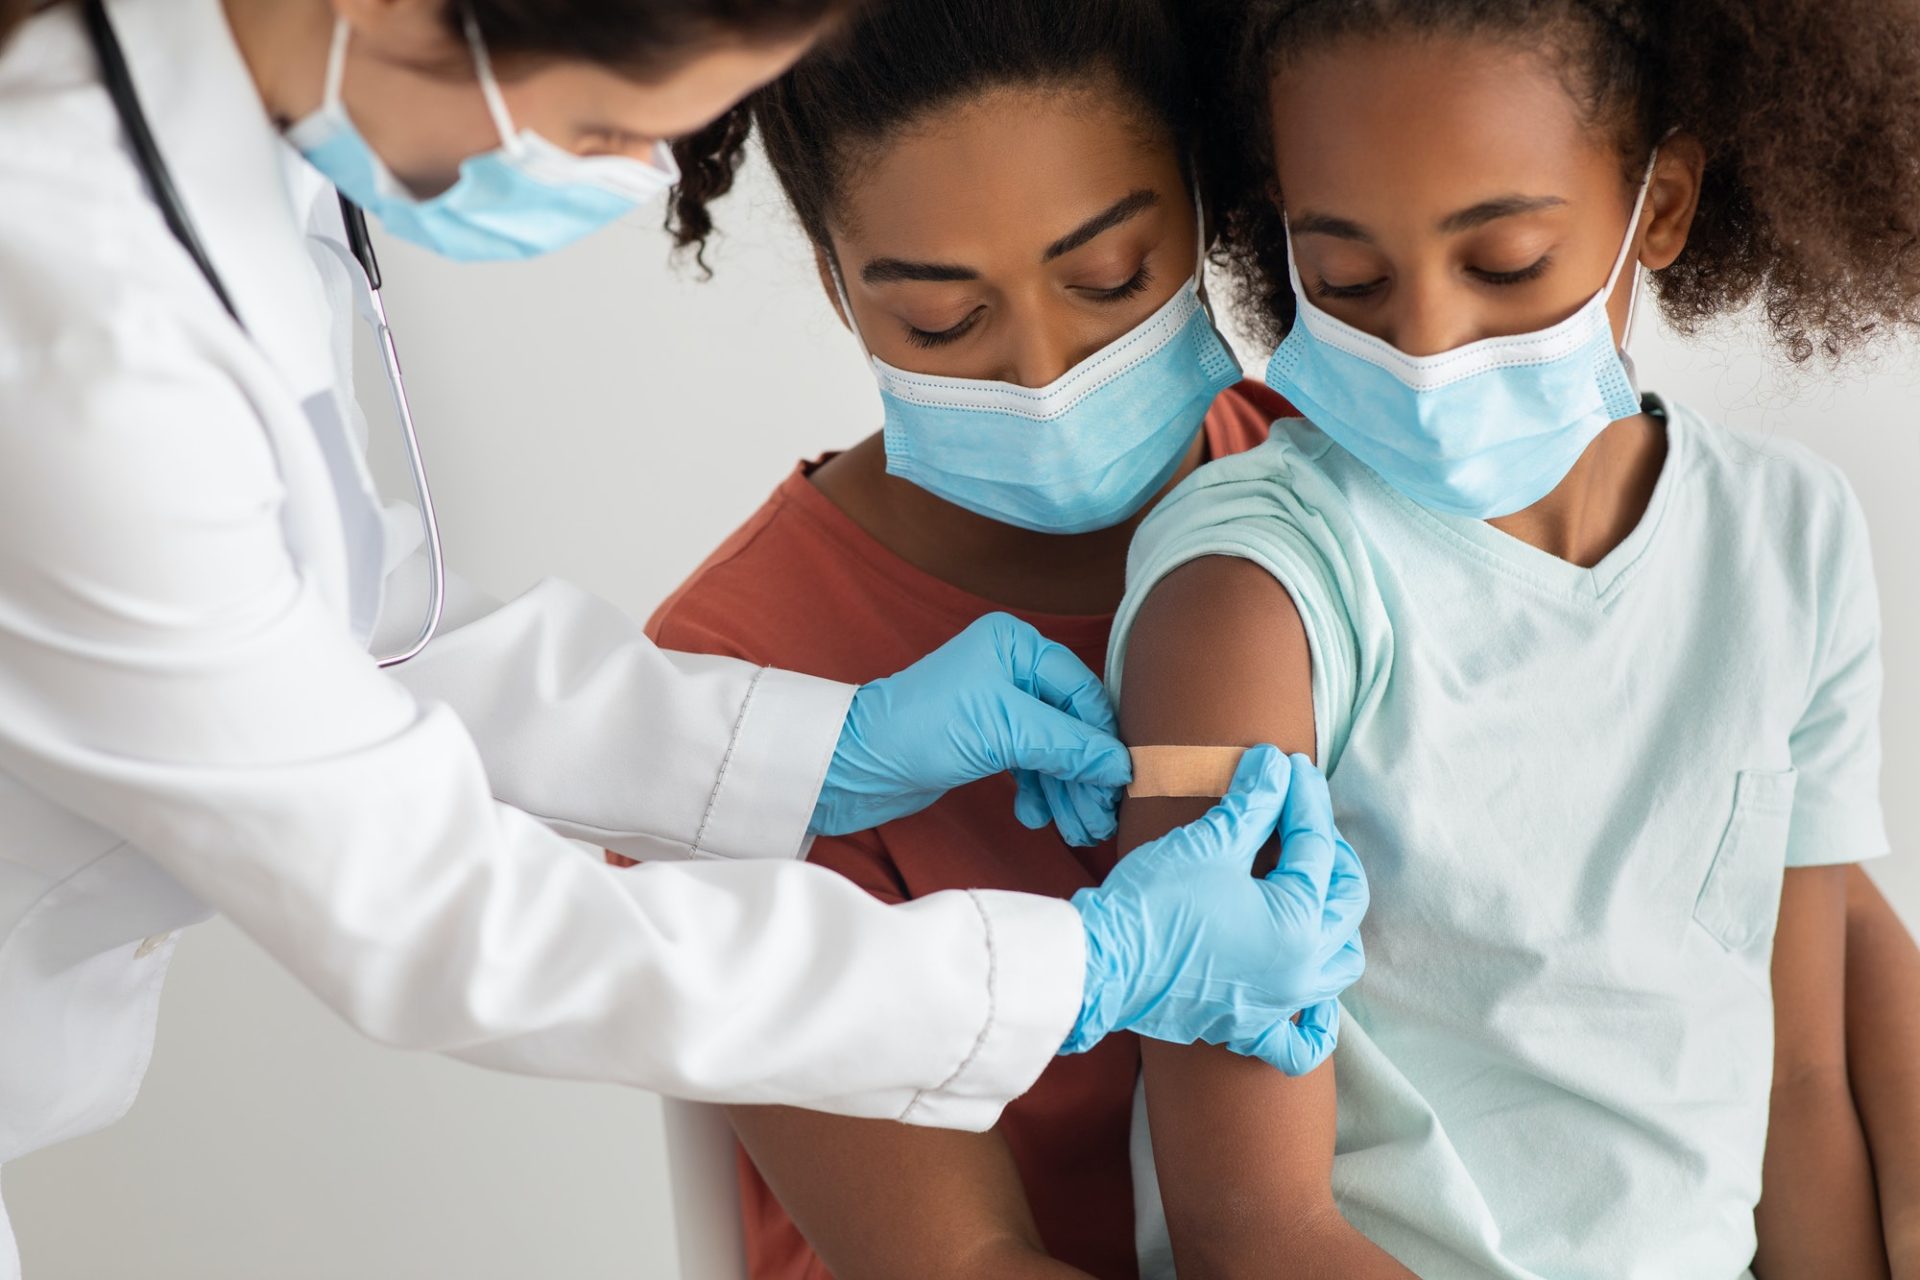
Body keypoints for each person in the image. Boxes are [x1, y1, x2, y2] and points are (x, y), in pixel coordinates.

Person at [0, 0, 1368, 1269]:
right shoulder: (72, 324)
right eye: (604, 133)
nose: (635, 178)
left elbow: (361, 624)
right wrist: (1091, 966)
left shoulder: (224, 163)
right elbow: (439, 919)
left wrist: (816, 745)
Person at [1107, 0, 1920, 1276]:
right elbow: (1253, 1228)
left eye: (1506, 263)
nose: (1425, 344)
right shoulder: (1252, 590)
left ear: (1659, 207)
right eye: (1350, 278)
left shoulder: (1791, 538)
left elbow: (1800, 1079)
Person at [609, 3, 1363, 1275]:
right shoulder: (724, 687)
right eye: (944, 323)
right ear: (837, 278)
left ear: (1205, 194)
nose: (1044, 371)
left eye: (1111, 277)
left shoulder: (1340, 486)